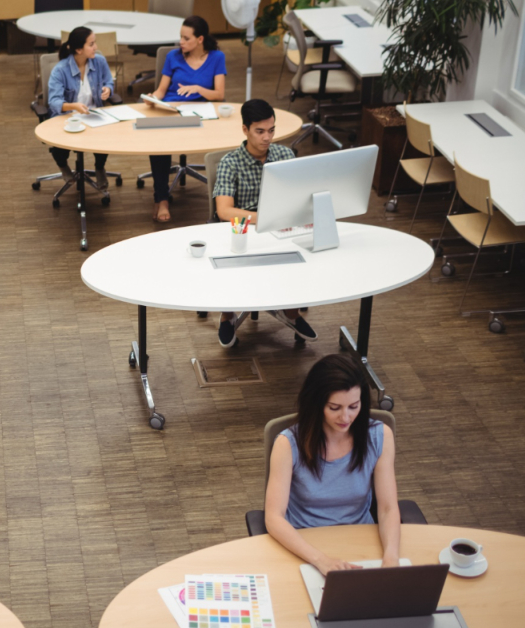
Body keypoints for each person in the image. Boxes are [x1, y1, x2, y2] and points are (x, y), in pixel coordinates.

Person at [264, 354, 401, 575]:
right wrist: (321, 560)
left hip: (361, 541)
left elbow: (387, 508)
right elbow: (273, 517)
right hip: (304, 546)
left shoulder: (380, 436)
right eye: (335, 408)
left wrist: (391, 557)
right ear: (317, 404)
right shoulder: (287, 444)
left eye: (354, 406)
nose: (346, 417)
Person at [212, 99, 315, 347]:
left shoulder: (285, 155)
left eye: (271, 130)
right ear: (245, 129)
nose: (267, 137)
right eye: (259, 131)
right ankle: (227, 315)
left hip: (280, 226)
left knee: (305, 253)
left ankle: (291, 311)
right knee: (232, 254)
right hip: (243, 228)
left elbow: (299, 195)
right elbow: (224, 211)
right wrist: (266, 219)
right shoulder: (230, 162)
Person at [145, 15, 226, 223]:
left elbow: (219, 94)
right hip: (171, 110)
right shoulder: (173, 56)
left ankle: (224, 201)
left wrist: (198, 89)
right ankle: (161, 198)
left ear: (200, 39)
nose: (180, 42)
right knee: (158, 143)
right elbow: (161, 91)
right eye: (180, 37)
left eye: (186, 38)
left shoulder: (217, 57)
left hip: (202, 115)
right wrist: (153, 98)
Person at [47, 27, 116, 189]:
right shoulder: (60, 70)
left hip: (93, 114)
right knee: (60, 146)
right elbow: (54, 102)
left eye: (95, 43)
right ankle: (63, 166)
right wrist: (73, 106)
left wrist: (108, 89)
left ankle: (100, 168)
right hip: (67, 117)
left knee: (103, 138)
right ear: (79, 50)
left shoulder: (99, 61)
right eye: (91, 44)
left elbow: (109, 81)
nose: (96, 47)